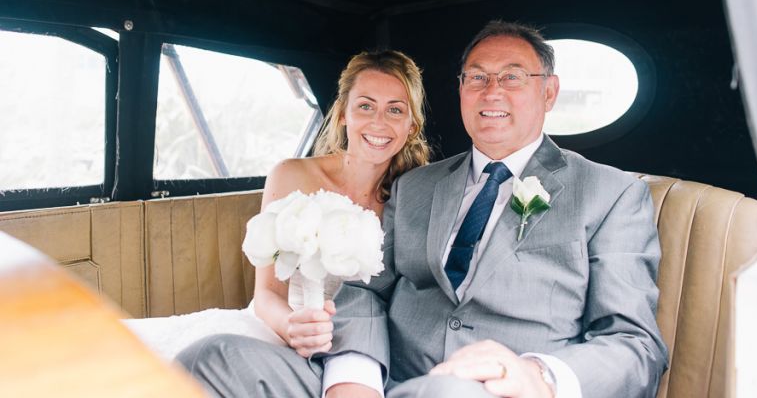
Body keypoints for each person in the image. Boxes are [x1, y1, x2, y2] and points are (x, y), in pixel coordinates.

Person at [177, 21, 668, 398]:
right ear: (460, 92)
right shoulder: (416, 187)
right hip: (383, 379)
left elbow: (635, 345)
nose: (491, 91)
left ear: (549, 92)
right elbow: (364, 292)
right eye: (476, 77)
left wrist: (535, 374)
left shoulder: (610, 194)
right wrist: (356, 377)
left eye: (512, 77)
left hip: (483, 390)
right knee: (212, 356)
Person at [123, 49, 430, 360]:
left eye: (395, 110)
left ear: (411, 126)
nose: (379, 123)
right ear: (342, 114)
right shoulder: (291, 176)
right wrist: (294, 328)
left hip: (359, 346)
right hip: (277, 328)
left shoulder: (416, 196)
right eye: (365, 106)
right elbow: (267, 294)